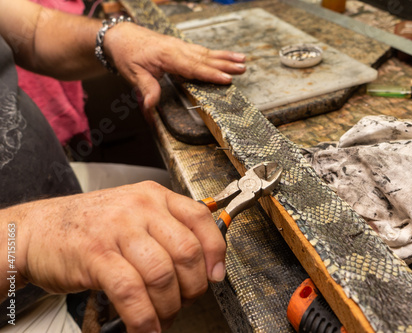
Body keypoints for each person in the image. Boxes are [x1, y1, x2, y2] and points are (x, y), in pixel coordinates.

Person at [0, 0, 246, 332]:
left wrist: (112, 37)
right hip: (13, 302)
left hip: (58, 191)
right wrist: (24, 238)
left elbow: (33, 29)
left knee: (186, 209)